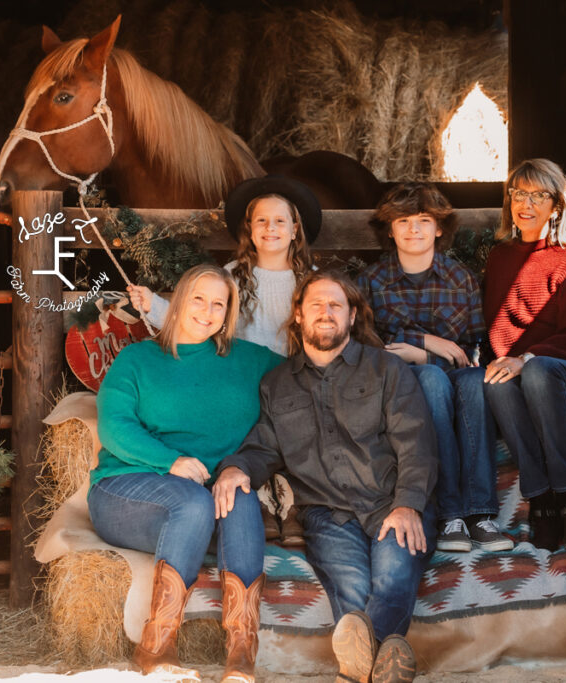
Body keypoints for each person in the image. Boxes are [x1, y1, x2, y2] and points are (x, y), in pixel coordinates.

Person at [215, 270, 438, 683]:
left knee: (392, 578)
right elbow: (265, 446)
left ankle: (356, 674)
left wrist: (408, 504)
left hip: (391, 502)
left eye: (336, 304)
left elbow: (416, 442)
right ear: (298, 315)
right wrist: (234, 468)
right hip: (326, 514)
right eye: (316, 303)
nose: (326, 312)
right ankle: (383, 670)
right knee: (351, 589)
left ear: (353, 316)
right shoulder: (277, 384)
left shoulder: (387, 369)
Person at [90, 263, 281, 683]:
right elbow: (114, 427)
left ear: (229, 313)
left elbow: (312, 377)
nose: (208, 311)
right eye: (198, 298)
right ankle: (155, 647)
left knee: (242, 496)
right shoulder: (138, 359)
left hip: (206, 500)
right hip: (126, 490)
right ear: (177, 301)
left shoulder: (251, 361)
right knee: (193, 501)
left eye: (219, 303)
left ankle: (241, 652)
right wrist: (170, 462)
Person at [357, 183, 511, 553]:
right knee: (431, 380)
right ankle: (450, 514)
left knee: (476, 381)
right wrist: (427, 344)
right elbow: (369, 348)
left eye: (424, 220)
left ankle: (481, 514)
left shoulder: (462, 281)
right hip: (398, 385)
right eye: (404, 221)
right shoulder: (370, 282)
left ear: (439, 228)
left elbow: (473, 352)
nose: (414, 229)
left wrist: (425, 351)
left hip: (454, 375)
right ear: (389, 228)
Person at [482, 158, 566, 552]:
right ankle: (540, 500)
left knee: (538, 369)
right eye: (518, 193)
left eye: (537, 195)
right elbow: (499, 330)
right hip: (534, 385)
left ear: (556, 205)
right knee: (494, 383)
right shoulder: (500, 257)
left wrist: (524, 360)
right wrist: (497, 360)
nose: (525, 203)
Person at [129, 175, 322, 355]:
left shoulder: (312, 281)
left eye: (280, 221)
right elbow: (200, 320)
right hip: (240, 372)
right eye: (261, 220)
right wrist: (153, 304)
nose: (270, 227)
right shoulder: (232, 275)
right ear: (249, 229)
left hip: (291, 379)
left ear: (294, 229)